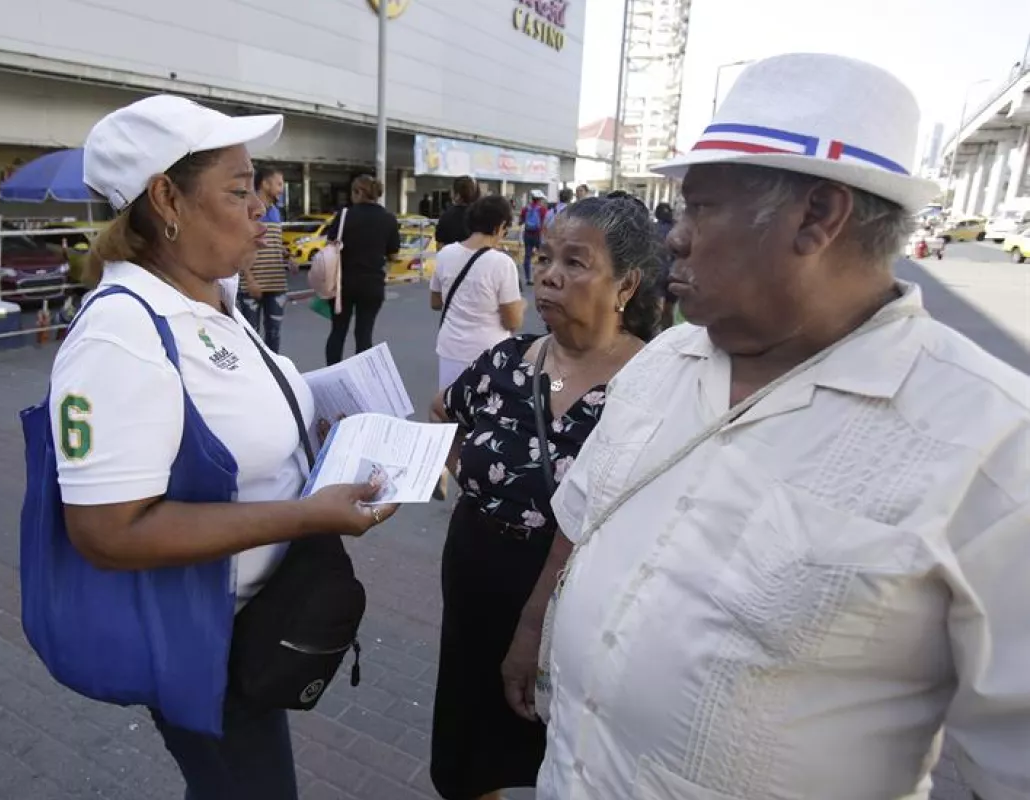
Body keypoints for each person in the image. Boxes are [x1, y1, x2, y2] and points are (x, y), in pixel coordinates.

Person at [519, 54, 1030, 800]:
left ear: (818, 218)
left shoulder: (994, 441)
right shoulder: (666, 358)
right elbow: (586, 514)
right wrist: (538, 621)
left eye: (702, 208)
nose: (675, 238)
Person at [52, 95, 398, 799]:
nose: (261, 211)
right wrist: (308, 514)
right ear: (166, 199)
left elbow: (229, 429)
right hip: (202, 640)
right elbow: (104, 531)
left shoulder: (211, 297)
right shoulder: (122, 335)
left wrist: (321, 436)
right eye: (239, 192)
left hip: (255, 621)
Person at [429, 196, 660, 800]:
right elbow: (444, 414)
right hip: (477, 569)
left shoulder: (657, 384)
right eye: (545, 257)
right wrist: (475, 476)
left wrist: (537, 621)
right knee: (470, 745)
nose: (549, 274)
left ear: (626, 284)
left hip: (579, 593)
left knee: (571, 754)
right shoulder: (507, 360)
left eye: (575, 263)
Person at [429, 195, 526, 390]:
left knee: (448, 411)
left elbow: (436, 302)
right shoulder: (502, 263)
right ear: (499, 226)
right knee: (483, 413)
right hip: (489, 352)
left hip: (450, 349)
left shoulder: (445, 254)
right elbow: (512, 321)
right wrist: (521, 306)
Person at [322, 175, 399, 365]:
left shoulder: (344, 215)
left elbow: (330, 246)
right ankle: (362, 377)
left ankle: (332, 374)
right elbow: (394, 255)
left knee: (338, 331)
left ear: (358, 192)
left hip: (342, 284)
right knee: (364, 333)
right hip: (372, 284)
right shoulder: (388, 219)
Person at [237, 166, 292, 352]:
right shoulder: (248, 211)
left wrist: (287, 257)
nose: (281, 188)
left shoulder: (276, 211)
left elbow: (271, 243)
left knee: (274, 335)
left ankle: (274, 375)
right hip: (252, 287)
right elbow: (239, 247)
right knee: (251, 336)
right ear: (265, 184)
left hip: (277, 285)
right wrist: (249, 279)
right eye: (278, 183)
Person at [652, 201, 678, 329]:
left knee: (658, 308)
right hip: (673, 273)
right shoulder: (678, 229)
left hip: (658, 272)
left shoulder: (652, 229)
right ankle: (667, 333)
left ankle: (654, 336)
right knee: (669, 310)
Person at [435, 175, 479, 248]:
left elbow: (440, 244)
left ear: (457, 195)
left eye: (452, 191)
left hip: (451, 257)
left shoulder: (447, 216)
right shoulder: (480, 214)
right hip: (476, 258)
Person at [519, 190, 548, 285]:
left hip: (527, 234)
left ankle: (528, 279)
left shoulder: (525, 209)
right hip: (538, 235)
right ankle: (542, 277)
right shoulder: (543, 210)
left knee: (527, 256)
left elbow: (521, 221)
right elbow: (546, 223)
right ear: (540, 199)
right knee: (543, 256)